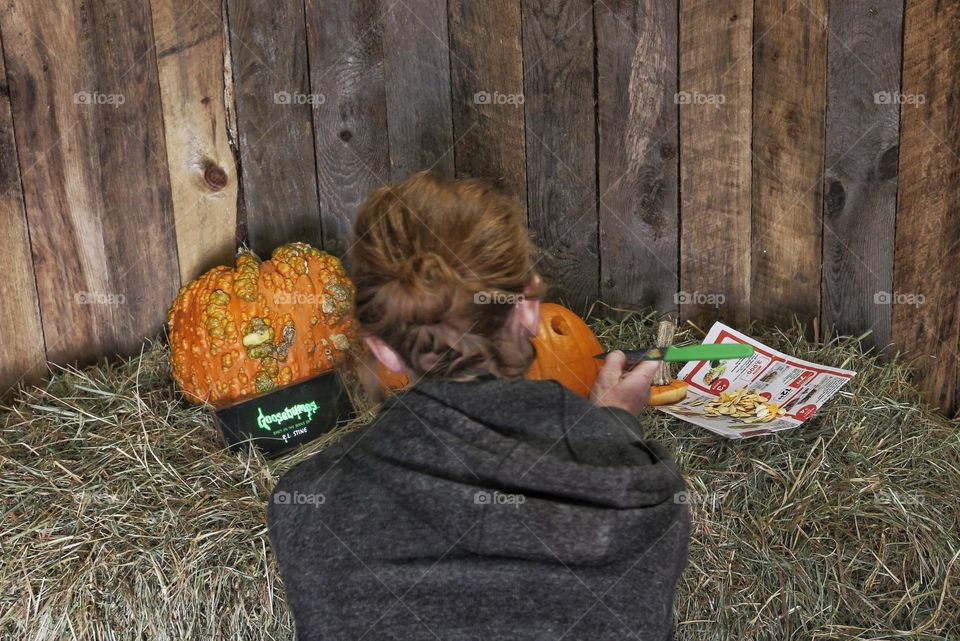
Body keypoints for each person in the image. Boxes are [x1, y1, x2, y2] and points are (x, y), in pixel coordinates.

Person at [268, 171, 690, 640]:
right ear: (529, 306)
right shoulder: (646, 491)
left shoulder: (307, 504)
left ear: (381, 347)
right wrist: (610, 428)